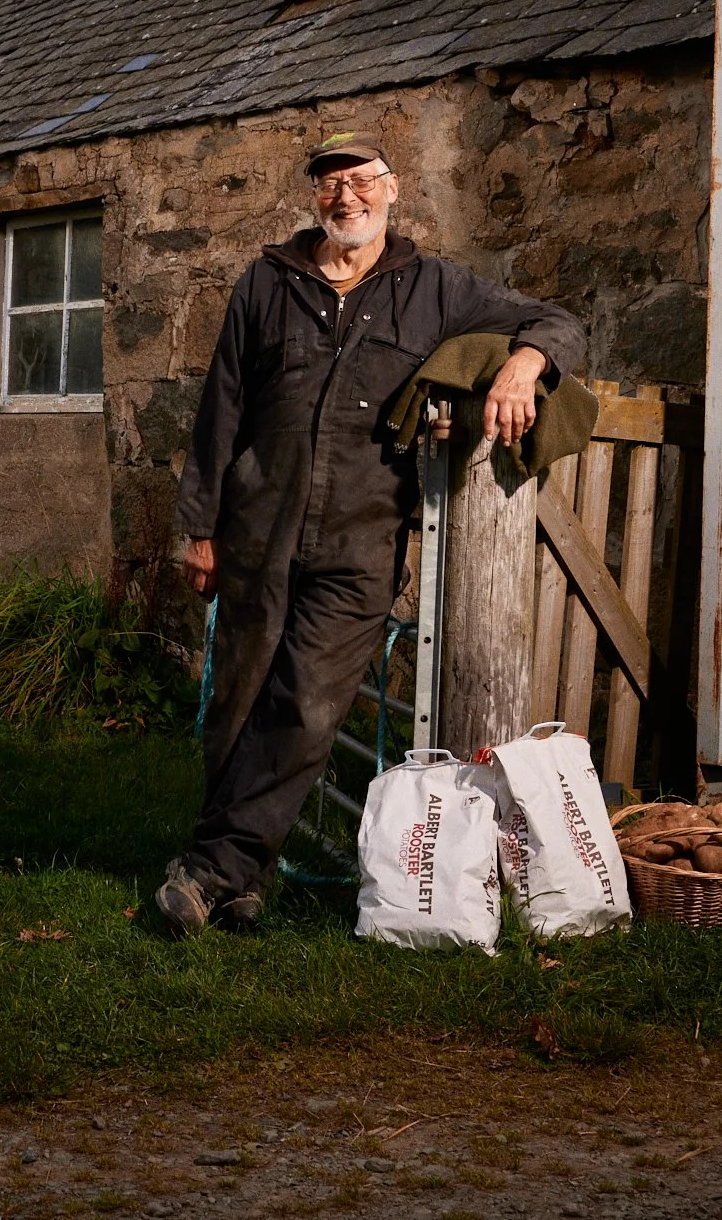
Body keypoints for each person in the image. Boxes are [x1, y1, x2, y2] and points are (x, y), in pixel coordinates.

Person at [158, 129, 586, 935]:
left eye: (361, 181)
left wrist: (524, 366)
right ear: (313, 198)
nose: (344, 196)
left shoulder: (435, 289)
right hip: (258, 526)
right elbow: (220, 408)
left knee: (309, 709)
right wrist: (199, 527)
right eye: (328, 184)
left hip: (362, 535)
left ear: (395, 191)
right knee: (238, 699)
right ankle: (238, 878)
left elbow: (552, 318)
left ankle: (209, 869)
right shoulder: (265, 282)